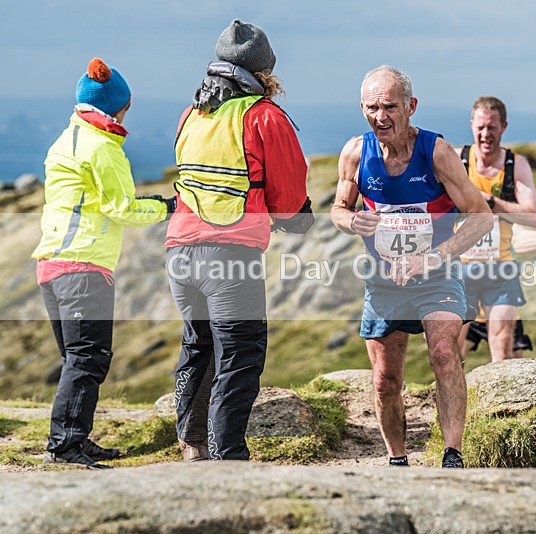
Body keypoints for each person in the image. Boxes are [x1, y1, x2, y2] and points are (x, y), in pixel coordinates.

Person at [166, 19, 313, 461]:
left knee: (199, 346)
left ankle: (192, 446)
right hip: (229, 259)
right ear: (264, 72)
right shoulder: (263, 116)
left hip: (179, 253)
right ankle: (227, 457)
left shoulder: (193, 114)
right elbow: (289, 201)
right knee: (240, 354)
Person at [331, 66, 493, 468]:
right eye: (372, 107)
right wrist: (352, 221)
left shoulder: (436, 153)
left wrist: (435, 256)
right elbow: (338, 208)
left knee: (443, 352)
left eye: (389, 107)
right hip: (384, 282)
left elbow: (481, 216)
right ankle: (397, 459)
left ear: (410, 107)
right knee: (385, 379)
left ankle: (452, 454)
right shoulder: (356, 152)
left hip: (436, 275)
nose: (380, 116)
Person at [33, 58, 175, 468]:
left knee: (76, 357)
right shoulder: (103, 147)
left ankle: (74, 436)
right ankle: (65, 445)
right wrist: (167, 207)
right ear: (119, 107)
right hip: (83, 266)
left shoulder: (68, 138)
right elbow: (123, 209)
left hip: (52, 263)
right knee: (88, 357)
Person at [456, 97, 536, 362]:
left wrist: (491, 202)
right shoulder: (457, 160)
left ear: (503, 127)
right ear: (471, 124)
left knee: (502, 344)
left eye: (492, 127)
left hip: (500, 267)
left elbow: (533, 216)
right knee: (449, 351)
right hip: (459, 267)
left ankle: (498, 403)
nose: (485, 134)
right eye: (480, 127)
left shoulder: (515, 166)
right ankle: (454, 402)